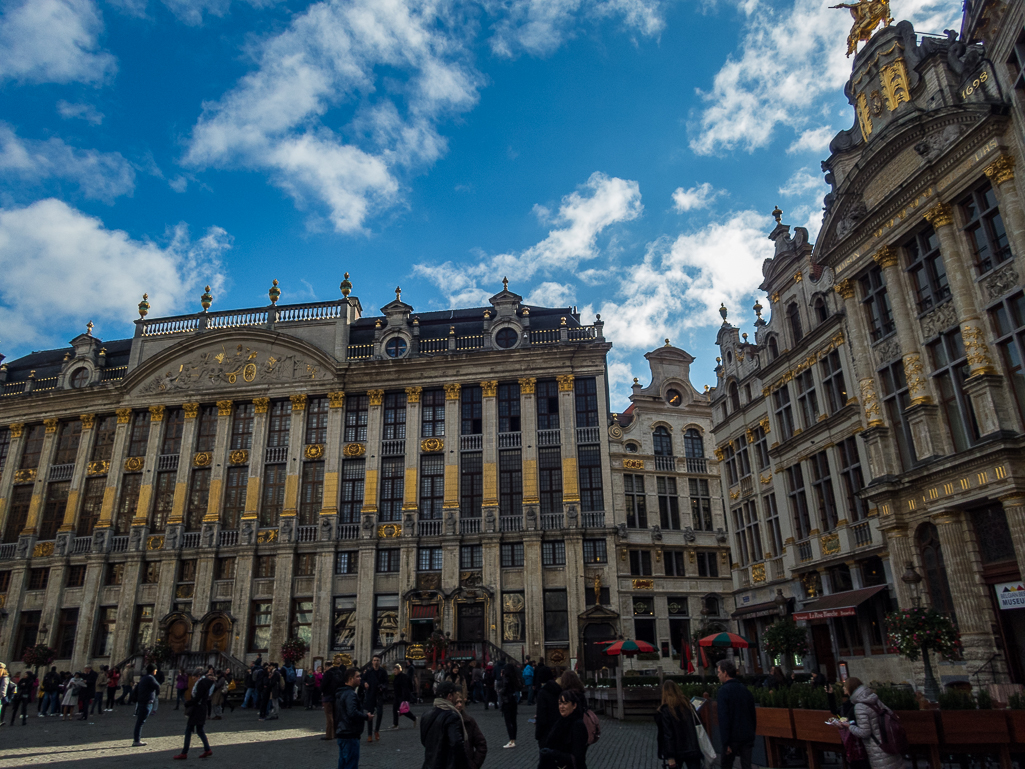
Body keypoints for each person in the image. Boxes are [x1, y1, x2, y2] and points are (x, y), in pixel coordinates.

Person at [838, 677, 905, 769]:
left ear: (850, 688)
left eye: (845, 686)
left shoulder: (859, 706)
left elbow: (865, 732)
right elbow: (890, 714)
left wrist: (850, 726)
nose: (843, 688)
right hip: (889, 742)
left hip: (877, 748)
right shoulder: (874, 698)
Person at [716, 659, 756, 769]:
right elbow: (752, 714)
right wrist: (752, 733)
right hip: (747, 735)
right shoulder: (745, 690)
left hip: (732, 737)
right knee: (746, 765)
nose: (718, 675)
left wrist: (725, 742)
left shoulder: (723, 691)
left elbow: (724, 717)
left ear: (725, 673)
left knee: (726, 765)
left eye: (719, 672)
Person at [421, 680, 468, 769]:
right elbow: (456, 743)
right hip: (445, 764)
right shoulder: (451, 717)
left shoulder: (426, 715)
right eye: (454, 694)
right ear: (449, 696)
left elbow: (424, 741)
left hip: (429, 764)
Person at [655, 681, 702, 769]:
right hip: (692, 748)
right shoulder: (688, 706)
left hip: (676, 750)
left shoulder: (665, 711)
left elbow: (668, 734)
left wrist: (670, 756)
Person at [539, 690, 589, 769]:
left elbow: (577, 757)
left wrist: (553, 753)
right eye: (560, 703)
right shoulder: (560, 722)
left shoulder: (577, 725)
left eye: (565, 703)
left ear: (574, 705)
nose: (561, 707)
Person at [173, 667, 215, 759]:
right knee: (199, 730)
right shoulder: (205, 683)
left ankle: (184, 753)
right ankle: (207, 749)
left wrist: (188, 703)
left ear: (198, 676)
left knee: (188, 730)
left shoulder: (201, 684)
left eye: (194, 678)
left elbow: (197, 698)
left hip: (197, 709)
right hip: (201, 709)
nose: (194, 680)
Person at [335, 667, 368, 769]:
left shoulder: (342, 693)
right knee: (350, 764)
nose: (360, 678)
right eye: (357, 676)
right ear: (350, 679)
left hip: (342, 732)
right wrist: (366, 716)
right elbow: (352, 713)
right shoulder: (350, 694)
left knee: (343, 763)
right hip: (349, 733)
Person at [456, 693, 487, 769]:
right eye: (456, 703)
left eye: (461, 702)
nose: (460, 705)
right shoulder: (444, 722)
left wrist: (474, 765)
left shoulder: (469, 721)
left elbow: (481, 744)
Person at [132, 663, 161, 747]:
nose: (156, 671)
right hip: (146, 702)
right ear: (153, 670)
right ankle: (136, 740)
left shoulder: (144, 678)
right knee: (140, 722)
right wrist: (155, 695)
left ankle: (137, 740)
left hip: (142, 701)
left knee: (140, 721)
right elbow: (157, 686)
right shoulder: (150, 678)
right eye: (155, 670)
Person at [534, 666, 562, 748]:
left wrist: (538, 734)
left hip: (546, 732)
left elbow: (541, 715)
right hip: (558, 728)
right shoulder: (559, 689)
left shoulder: (542, 693)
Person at [363, 654, 387, 742]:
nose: (376, 662)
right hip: (371, 695)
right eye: (375, 660)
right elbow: (363, 679)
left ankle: (376, 730)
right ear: (372, 662)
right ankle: (369, 734)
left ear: (379, 662)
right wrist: (364, 683)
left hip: (379, 695)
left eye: (377, 660)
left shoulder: (383, 672)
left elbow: (386, 682)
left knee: (380, 713)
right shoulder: (369, 672)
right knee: (370, 715)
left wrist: (383, 687)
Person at [498, 662, 521, 749]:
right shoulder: (514, 677)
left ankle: (511, 740)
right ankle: (513, 739)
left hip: (507, 701)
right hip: (513, 700)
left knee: (508, 722)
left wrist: (499, 691)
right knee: (514, 721)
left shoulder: (506, 678)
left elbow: (503, 690)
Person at [321, 658, 345, 741]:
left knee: (329, 715)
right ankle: (336, 733)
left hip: (328, 696)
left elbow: (323, 685)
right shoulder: (339, 672)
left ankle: (329, 734)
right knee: (336, 715)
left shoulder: (328, 674)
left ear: (327, 666)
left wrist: (322, 691)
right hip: (337, 696)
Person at [389, 663, 417, 730]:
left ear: (399, 670)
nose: (394, 672)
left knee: (403, 710)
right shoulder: (396, 677)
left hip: (402, 696)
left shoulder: (403, 677)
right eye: (394, 670)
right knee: (394, 709)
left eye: (395, 670)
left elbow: (406, 687)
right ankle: (395, 724)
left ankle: (414, 718)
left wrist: (405, 697)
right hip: (397, 695)